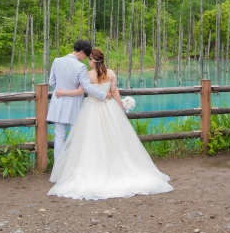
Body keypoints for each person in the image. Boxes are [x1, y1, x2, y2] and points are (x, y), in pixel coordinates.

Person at [48, 47, 173, 200]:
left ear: (91, 61)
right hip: (109, 108)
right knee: (115, 137)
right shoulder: (111, 73)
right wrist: (121, 105)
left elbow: (82, 91)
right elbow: (114, 92)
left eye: (89, 60)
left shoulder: (88, 75)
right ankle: (115, 164)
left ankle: (88, 167)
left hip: (91, 107)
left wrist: (62, 92)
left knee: (90, 138)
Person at [47, 39, 108, 158]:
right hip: (73, 104)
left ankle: (58, 169)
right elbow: (87, 87)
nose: (85, 58)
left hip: (58, 102)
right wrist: (103, 95)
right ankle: (71, 166)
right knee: (74, 136)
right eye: (85, 55)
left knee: (59, 137)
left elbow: (51, 82)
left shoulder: (57, 61)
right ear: (81, 52)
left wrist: (62, 91)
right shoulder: (80, 66)